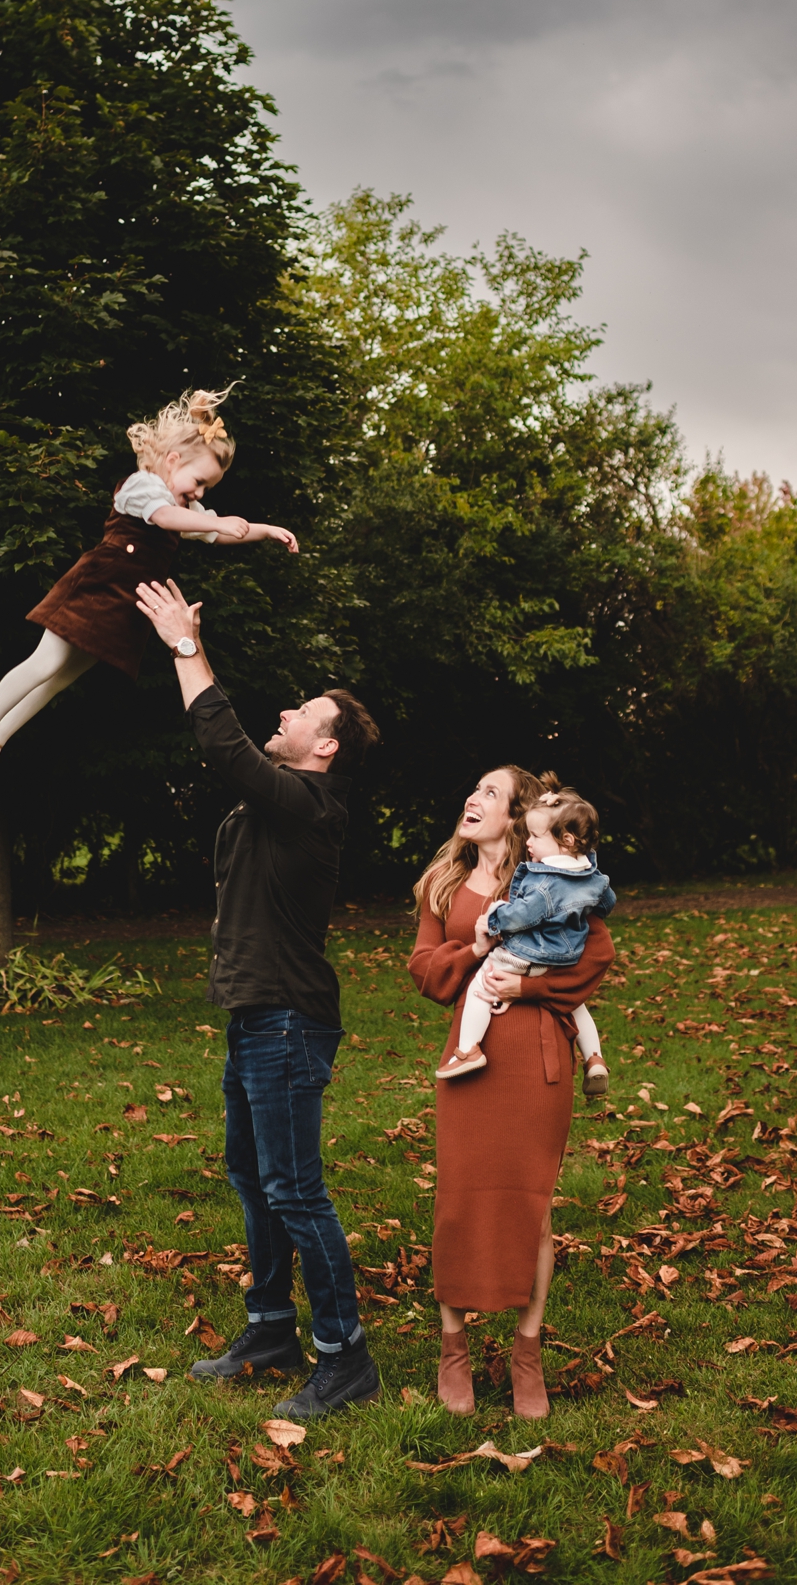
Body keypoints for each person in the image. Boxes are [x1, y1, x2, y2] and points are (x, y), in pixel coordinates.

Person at [134, 572, 384, 1422]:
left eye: (301, 714)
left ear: (326, 750)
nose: (285, 713)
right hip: (258, 1018)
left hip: (287, 1020)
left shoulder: (311, 806)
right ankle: (271, 1331)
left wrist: (183, 646)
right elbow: (236, 758)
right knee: (252, 1176)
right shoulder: (281, 805)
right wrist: (189, 648)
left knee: (292, 1188)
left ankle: (345, 1358)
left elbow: (225, 746)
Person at [0, 388, 298, 779]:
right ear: (172, 460)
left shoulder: (189, 509)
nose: (200, 495)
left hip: (121, 606)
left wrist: (265, 530)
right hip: (95, 588)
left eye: (207, 491)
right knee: (44, 662)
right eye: (199, 482)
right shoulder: (143, 487)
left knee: (61, 678)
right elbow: (167, 518)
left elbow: (218, 532)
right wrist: (216, 521)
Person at [408, 765, 615, 1418]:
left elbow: (594, 961)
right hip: (468, 1062)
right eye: (471, 789)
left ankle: (526, 1356)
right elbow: (425, 969)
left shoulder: (553, 879)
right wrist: (477, 949)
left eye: (489, 793)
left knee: (533, 1209)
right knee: (458, 1203)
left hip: (536, 1058)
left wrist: (525, 986)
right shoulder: (442, 884)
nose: (472, 798)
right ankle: (454, 1350)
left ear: (519, 813)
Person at [436, 785, 613, 1096]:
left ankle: (468, 1050)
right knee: (578, 1006)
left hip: (525, 955)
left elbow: (523, 916)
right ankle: (594, 1057)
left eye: (535, 836)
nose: (529, 842)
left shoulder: (545, 882)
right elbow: (606, 902)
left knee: (483, 985)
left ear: (565, 840)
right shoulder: (592, 875)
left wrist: (493, 920)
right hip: (564, 956)